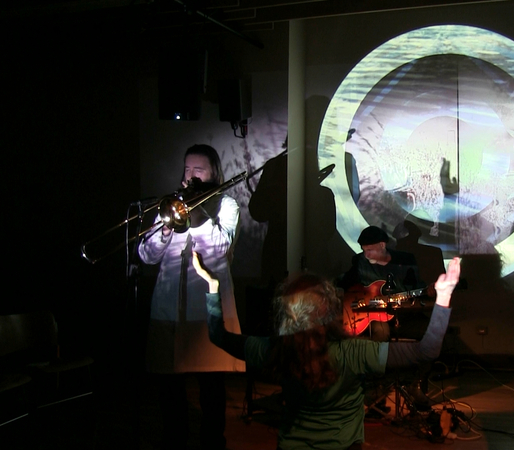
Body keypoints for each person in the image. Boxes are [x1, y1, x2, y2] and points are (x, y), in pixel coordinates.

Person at [192, 250, 461, 450]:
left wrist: (213, 287)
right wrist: (444, 296)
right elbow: (426, 351)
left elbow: (218, 336)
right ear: (329, 310)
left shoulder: (275, 349)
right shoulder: (353, 353)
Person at [138, 144, 244, 450]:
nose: (191, 175)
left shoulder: (226, 205)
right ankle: (174, 440)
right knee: (169, 388)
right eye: (187, 169)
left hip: (206, 312)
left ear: (213, 172)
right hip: (168, 310)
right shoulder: (172, 204)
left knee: (211, 388)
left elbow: (220, 250)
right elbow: (146, 255)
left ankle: (213, 443)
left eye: (199, 169)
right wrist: (165, 231)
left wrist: (196, 216)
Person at [339, 225, 431, 340]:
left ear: (382, 245)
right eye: (364, 250)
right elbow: (344, 285)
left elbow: (416, 286)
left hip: (403, 314)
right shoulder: (361, 262)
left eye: (370, 250)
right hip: (374, 315)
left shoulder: (406, 261)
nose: (366, 255)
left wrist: (428, 291)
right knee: (381, 331)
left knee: (431, 329)